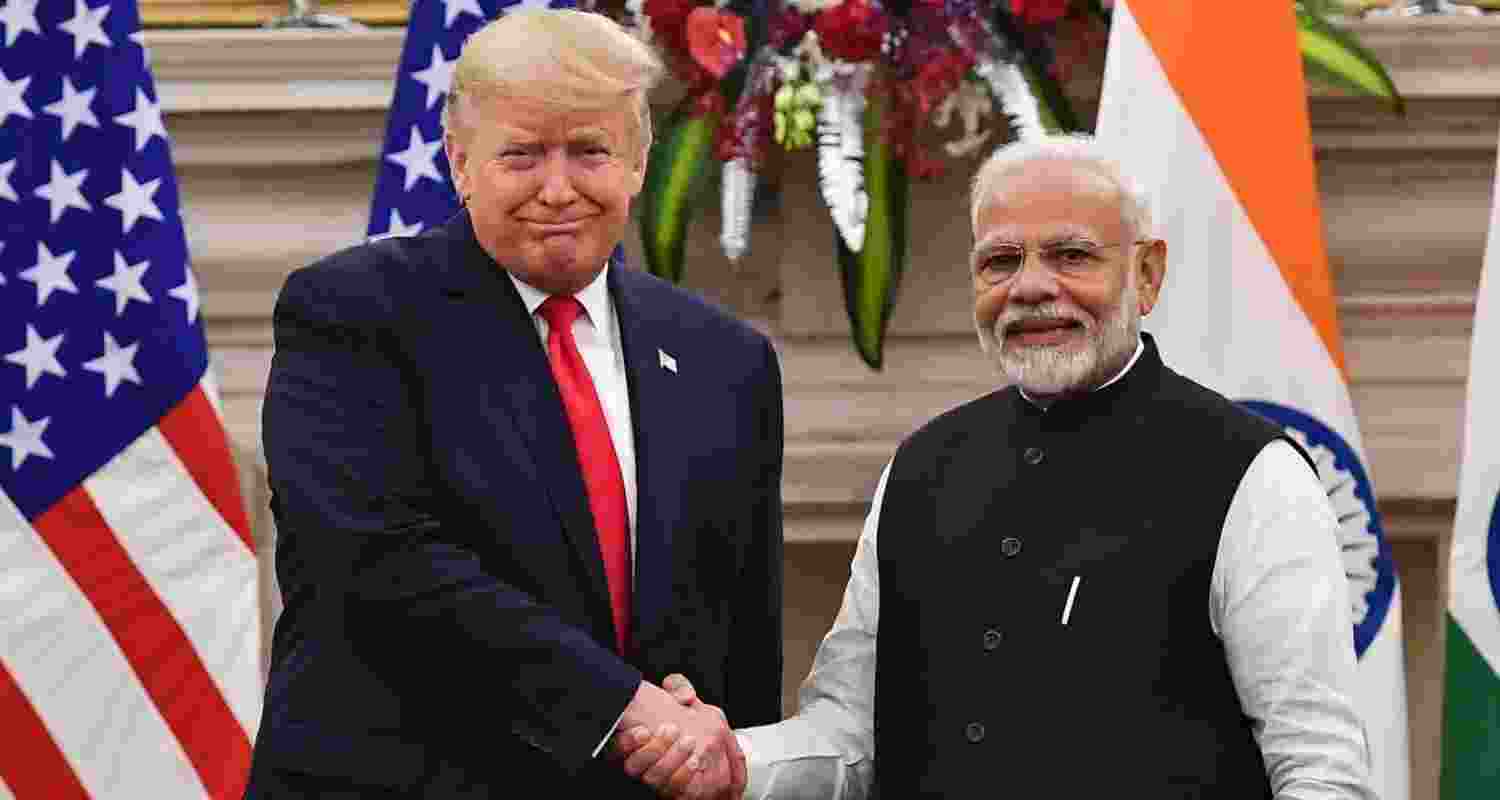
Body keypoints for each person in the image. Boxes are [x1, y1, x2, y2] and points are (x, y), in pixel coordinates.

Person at [618, 133, 1376, 799]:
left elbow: (1319, 769)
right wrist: (735, 760)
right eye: (1001, 261)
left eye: (1072, 255)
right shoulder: (922, 468)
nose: (1031, 286)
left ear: (1146, 275)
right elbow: (852, 734)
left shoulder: (1253, 475)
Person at [243, 9, 782, 798]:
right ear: (461, 164)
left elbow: (743, 634)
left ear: (636, 161)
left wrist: (722, 755)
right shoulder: (352, 314)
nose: (557, 189)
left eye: (590, 151)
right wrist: (625, 708)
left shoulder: (724, 358)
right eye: (522, 155)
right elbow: (375, 564)